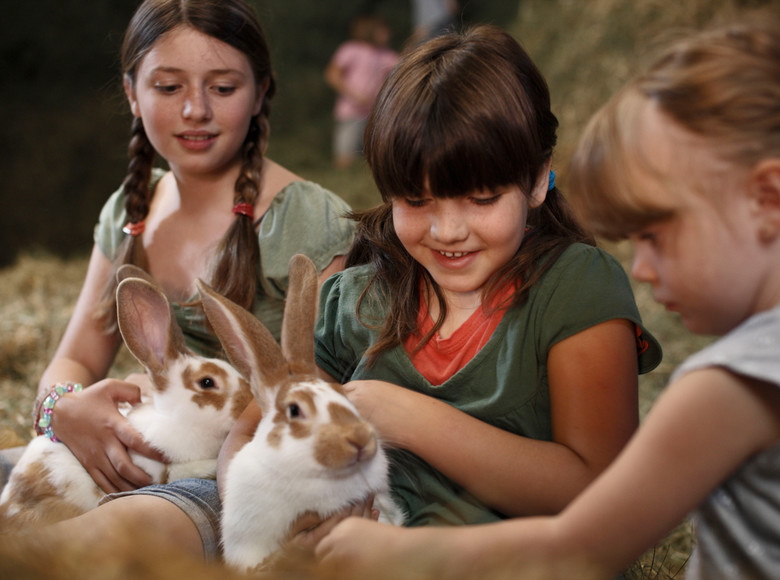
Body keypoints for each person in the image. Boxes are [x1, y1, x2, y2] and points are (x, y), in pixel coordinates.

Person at [314, 12, 780, 580]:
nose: (643, 270)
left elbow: (586, 536)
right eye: (415, 200)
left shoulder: (726, 386)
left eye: (654, 236)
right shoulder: (359, 297)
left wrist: (406, 539)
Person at [16, 0, 354, 561]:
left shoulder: (309, 222)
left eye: (223, 88)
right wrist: (65, 409)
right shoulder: (130, 209)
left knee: (88, 547)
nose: (195, 109)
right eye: (168, 87)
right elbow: (73, 359)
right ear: (131, 92)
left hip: (231, 474)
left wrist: (218, 446)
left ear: (262, 90)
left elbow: (327, 383)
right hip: (126, 451)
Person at [324, 14, 399, 170]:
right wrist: (355, 95)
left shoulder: (386, 54)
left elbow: (403, 66)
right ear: (371, 31)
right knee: (346, 154)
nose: (388, 34)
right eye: (383, 31)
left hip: (376, 114)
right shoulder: (351, 49)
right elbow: (332, 75)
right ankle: (342, 185)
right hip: (351, 112)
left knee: (377, 156)